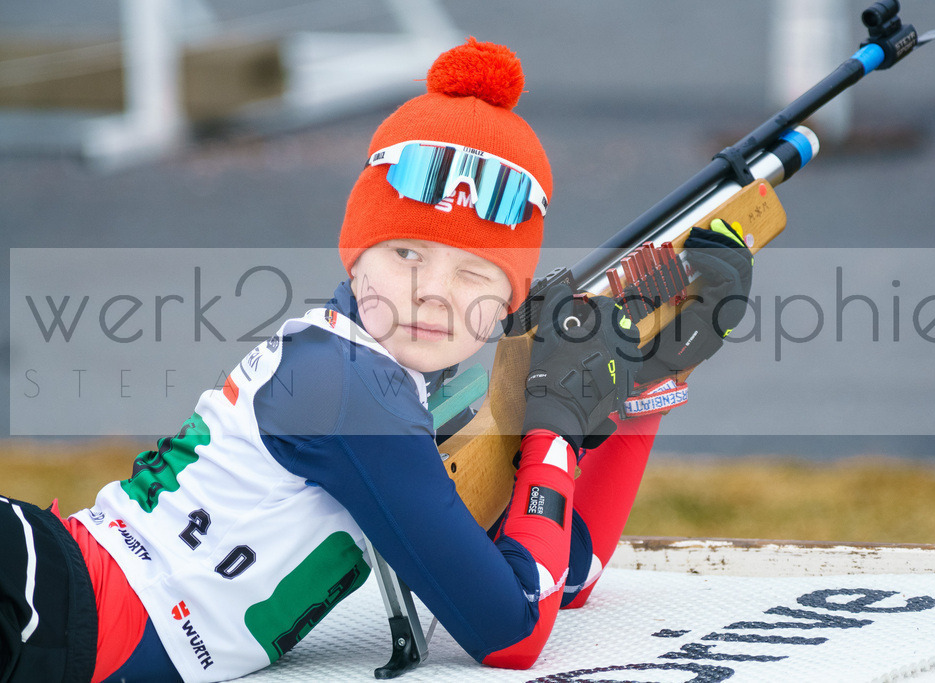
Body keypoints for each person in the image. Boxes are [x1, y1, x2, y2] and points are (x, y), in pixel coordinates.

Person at [0, 38, 752, 683]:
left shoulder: (398, 386)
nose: (431, 292)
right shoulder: (350, 390)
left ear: (505, 306)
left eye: (473, 274)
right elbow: (514, 628)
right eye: (404, 254)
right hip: (46, 600)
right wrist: (553, 427)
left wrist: (645, 379)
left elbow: (565, 574)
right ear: (355, 259)